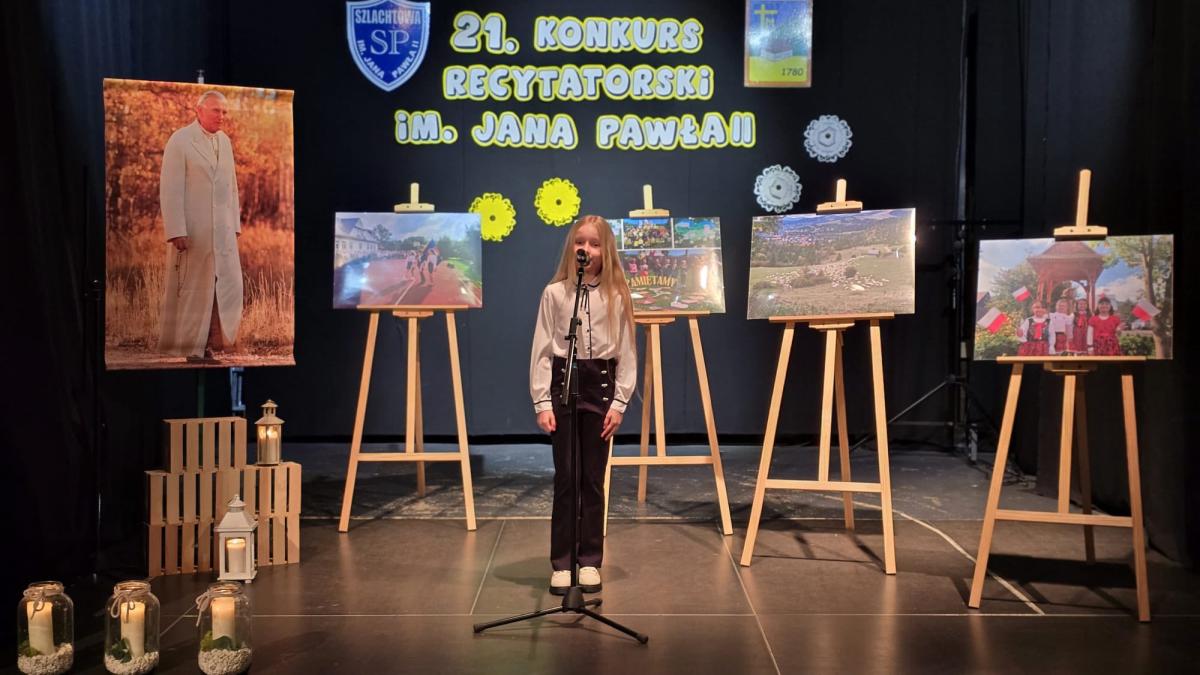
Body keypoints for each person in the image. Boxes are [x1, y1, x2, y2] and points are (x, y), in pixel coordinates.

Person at [530, 215, 636, 596]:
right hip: (565, 382)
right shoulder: (555, 294)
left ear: (605, 251)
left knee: (593, 478)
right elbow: (543, 350)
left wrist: (619, 402)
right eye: (580, 242)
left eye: (593, 244)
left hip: (601, 385)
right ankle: (562, 562)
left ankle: (589, 559)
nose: (586, 250)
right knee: (566, 476)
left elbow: (626, 352)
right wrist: (542, 401)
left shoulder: (617, 296)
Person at [158, 89, 243, 362]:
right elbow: (170, 189)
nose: (222, 116)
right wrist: (176, 230)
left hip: (223, 232)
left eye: (224, 111)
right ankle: (194, 349)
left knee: (226, 287)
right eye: (216, 110)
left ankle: (215, 345)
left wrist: (235, 225)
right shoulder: (180, 140)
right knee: (195, 291)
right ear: (199, 110)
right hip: (194, 232)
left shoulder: (225, 142)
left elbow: (232, 188)